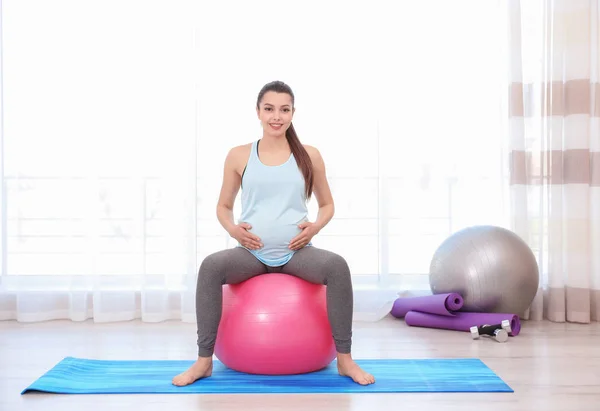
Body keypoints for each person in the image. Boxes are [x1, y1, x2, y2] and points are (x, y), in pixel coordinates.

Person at [172, 80, 375, 386]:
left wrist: (315, 227)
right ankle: (203, 362)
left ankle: (345, 361)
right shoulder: (239, 155)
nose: (276, 116)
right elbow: (223, 207)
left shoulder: (309, 155)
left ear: (293, 113)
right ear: (258, 112)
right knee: (211, 266)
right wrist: (234, 230)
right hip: (251, 254)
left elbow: (328, 204)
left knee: (337, 266)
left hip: (297, 253)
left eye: (284, 109)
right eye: (269, 109)